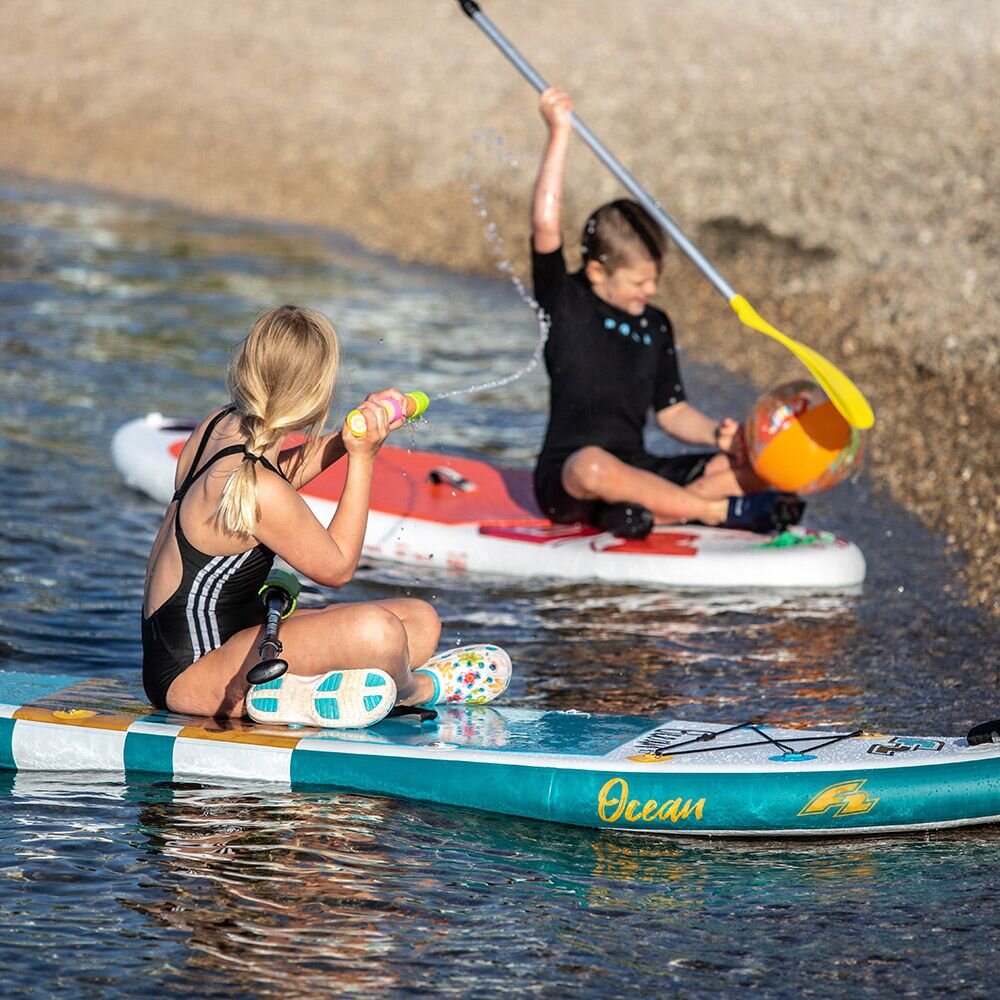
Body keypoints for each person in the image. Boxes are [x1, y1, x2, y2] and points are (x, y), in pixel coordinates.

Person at [142, 304, 511, 728]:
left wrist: (346, 439)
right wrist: (363, 458)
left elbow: (272, 479)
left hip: (242, 641)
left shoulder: (220, 424)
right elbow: (337, 568)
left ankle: (300, 693)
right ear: (319, 391)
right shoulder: (260, 489)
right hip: (194, 674)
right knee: (380, 633)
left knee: (419, 622)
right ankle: (416, 688)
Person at [530, 88, 804, 539]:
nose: (651, 291)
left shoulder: (654, 325)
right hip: (571, 478)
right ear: (598, 272)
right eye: (639, 283)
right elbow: (545, 224)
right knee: (594, 466)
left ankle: (645, 513)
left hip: (636, 465)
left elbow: (672, 413)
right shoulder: (566, 300)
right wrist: (559, 132)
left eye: (654, 279)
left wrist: (719, 435)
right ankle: (715, 513)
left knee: (734, 466)